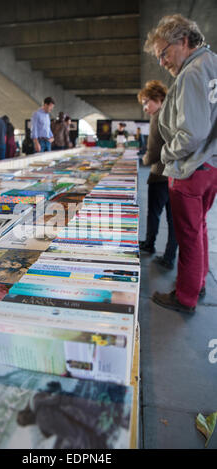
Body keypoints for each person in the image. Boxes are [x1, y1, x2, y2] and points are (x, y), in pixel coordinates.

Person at [144, 14, 217, 314]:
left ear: (184, 41)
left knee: (188, 234)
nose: (162, 62)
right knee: (198, 229)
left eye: (165, 53)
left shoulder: (190, 73)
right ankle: (198, 282)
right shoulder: (211, 62)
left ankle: (185, 296)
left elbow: (192, 132)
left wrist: (165, 155)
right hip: (210, 164)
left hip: (190, 167)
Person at [137, 80, 178, 269]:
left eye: (147, 102)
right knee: (173, 218)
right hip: (174, 175)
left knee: (153, 213)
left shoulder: (157, 117)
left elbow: (153, 151)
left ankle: (149, 244)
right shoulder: (171, 114)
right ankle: (169, 256)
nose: (146, 107)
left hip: (159, 174)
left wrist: (142, 160)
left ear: (158, 98)